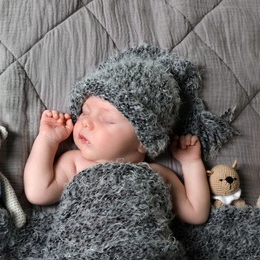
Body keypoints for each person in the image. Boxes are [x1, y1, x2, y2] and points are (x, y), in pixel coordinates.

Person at [24, 45, 212, 225]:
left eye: (106, 119)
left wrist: (191, 163)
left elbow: (197, 213)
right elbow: (37, 192)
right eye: (85, 112)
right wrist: (48, 140)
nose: (86, 122)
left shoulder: (156, 174)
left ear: (143, 140)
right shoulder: (75, 163)